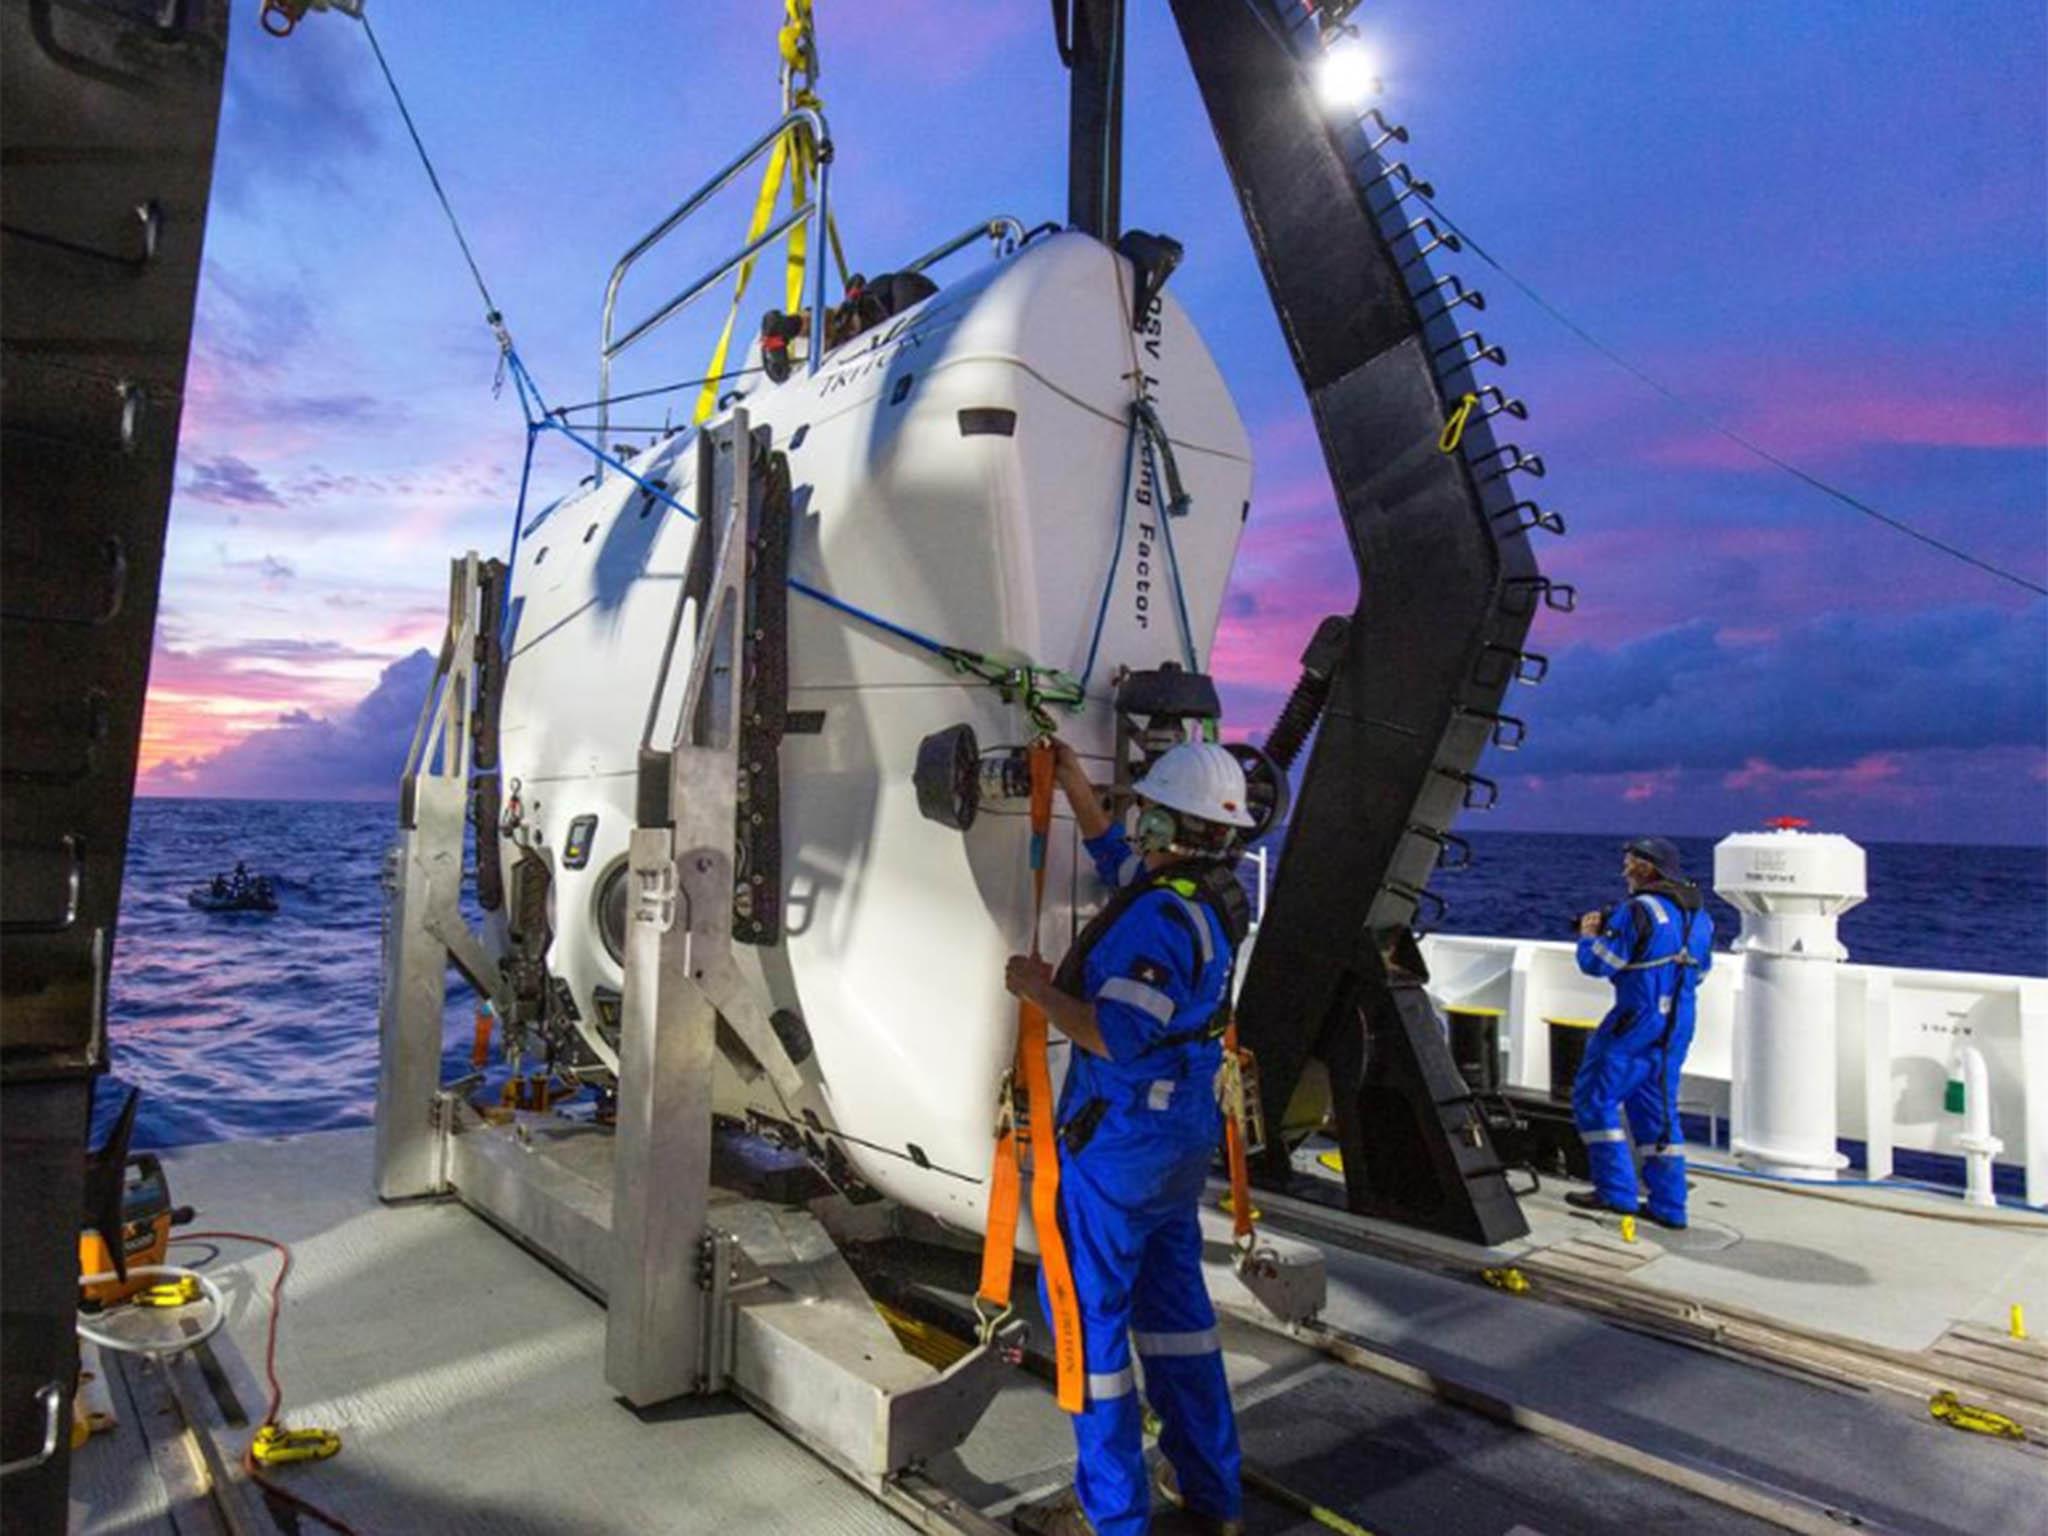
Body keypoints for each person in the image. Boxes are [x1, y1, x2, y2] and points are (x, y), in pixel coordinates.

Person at [1004, 737, 1254, 1536]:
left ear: (1167, 824)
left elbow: (1117, 1035)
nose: (1131, 821)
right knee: (1179, 1321)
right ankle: (1214, 1492)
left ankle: (1111, 1516)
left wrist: (1038, 991)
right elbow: (1119, 863)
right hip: (1177, 1143)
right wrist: (1074, 781)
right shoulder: (1205, 895)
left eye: (1143, 810)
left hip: (1117, 1152)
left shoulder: (1155, 918)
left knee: (1092, 1326)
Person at [1569, 836, 1714, 1230]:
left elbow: (1601, 964)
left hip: (1637, 1019)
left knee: (1596, 1099)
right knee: (1658, 1110)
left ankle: (1616, 1193)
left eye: (1631, 862)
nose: (1625, 869)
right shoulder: (1699, 916)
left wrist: (1588, 937)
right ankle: (1670, 1206)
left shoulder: (1636, 912)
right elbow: (1700, 972)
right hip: (1678, 1021)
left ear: (1648, 868)